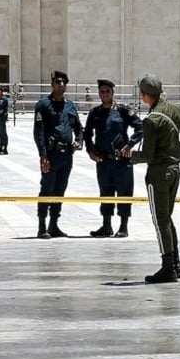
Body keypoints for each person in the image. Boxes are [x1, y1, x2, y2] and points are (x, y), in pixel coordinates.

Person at [122, 75, 180, 283]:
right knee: (167, 218)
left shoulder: (151, 120)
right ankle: (176, 265)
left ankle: (168, 268)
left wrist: (129, 157)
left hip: (158, 174)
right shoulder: (176, 109)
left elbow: (148, 155)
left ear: (144, 94)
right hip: (174, 171)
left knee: (160, 220)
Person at [84, 78, 143, 238]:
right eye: (102, 92)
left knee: (124, 193)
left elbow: (140, 127)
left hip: (121, 161)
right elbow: (87, 133)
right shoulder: (95, 113)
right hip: (103, 161)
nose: (105, 94)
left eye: (108, 91)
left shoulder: (122, 111)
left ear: (112, 93)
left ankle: (123, 227)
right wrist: (90, 150)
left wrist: (130, 145)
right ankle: (106, 226)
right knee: (105, 192)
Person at [33, 70, 84, 239]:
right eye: (58, 82)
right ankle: (42, 226)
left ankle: (53, 224)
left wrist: (79, 141)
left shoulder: (70, 106)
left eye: (63, 82)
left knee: (60, 190)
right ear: (52, 84)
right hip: (51, 155)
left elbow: (78, 128)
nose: (61, 85)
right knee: (46, 189)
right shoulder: (43, 105)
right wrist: (43, 155)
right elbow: (39, 132)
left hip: (66, 155)